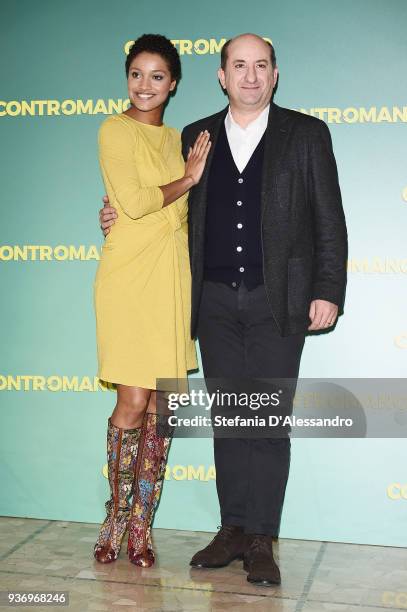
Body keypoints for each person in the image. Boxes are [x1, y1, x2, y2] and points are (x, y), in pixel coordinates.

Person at [99, 33, 348, 585]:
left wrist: (328, 288)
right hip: (210, 299)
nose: (251, 76)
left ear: (275, 74)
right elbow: (164, 205)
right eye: (240, 65)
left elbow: (329, 218)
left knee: (266, 422)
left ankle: (262, 536)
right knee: (231, 420)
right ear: (221, 76)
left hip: (277, 300)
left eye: (261, 66)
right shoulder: (195, 136)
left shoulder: (306, 134)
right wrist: (115, 213)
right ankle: (231, 528)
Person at [93, 33, 211, 568]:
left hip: (171, 277)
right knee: (133, 401)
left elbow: (180, 219)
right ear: (127, 79)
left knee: (165, 407)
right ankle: (115, 516)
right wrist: (188, 179)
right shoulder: (113, 130)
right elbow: (138, 202)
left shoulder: (179, 139)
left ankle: (142, 527)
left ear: (174, 84)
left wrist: (187, 179)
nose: (145, 85)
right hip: (128, 278)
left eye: (157, 76)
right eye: (136, 74)